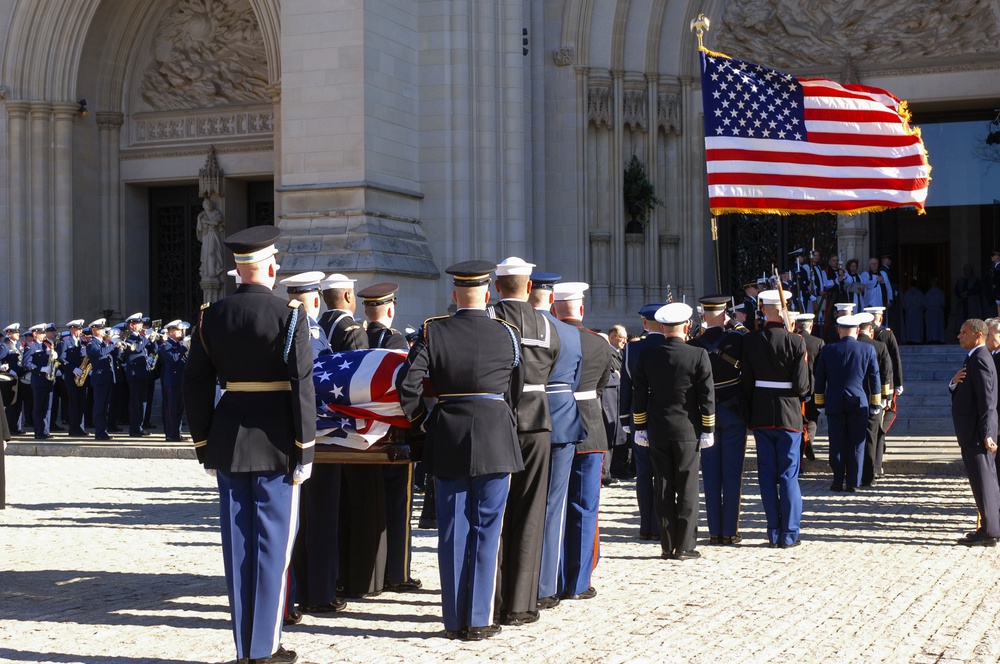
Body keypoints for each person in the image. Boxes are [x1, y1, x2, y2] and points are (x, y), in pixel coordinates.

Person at [183, 224, 316, 663]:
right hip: (279, 438)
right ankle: (265, 647)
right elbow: (301, 386)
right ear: (271, 267)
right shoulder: (291, 314)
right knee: (273, 547)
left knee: (238, 547)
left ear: (238, 271)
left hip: (229, 438)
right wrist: (306, 449)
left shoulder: (210, 315)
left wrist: (204, 443)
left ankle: (246, 647)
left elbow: (195, 384)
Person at [396, 260, 524, 641]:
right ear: (487, 296)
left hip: (448, 432)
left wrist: (424, 421)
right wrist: (502, 416)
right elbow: (515, 389)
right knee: (488, 529)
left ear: (454, 296)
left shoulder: (434, 331)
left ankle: (453, 620)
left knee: (452, 529)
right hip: (496, 433)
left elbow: (408, 385)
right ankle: (480, 618)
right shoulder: (507, 333)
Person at [488, 256, 558, 627]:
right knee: (530, 512)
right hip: (537, 420)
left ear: (496, 287)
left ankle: (491, 600)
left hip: (497, 417)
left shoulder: (487, 318)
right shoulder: (547, 325)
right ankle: (519, 605)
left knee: (494, 511)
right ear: (529, 287)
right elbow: (554, 362)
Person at [633, 302, 714, 560]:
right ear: (687, 326)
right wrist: (708, 428)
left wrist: (640, 427)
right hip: (688, 429)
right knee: (688, 487)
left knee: (664, 486)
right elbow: (707, 396)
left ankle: (667, 545)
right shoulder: (698, 355)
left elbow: (639, 394)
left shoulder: (648, 355)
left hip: (657, 427)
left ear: (662, 328)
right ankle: (685, 545)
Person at [356, 281, 422, 595]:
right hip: (392, 434)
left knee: (365, 504)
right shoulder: (394, 340)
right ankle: (397, 573)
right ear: (391, 309)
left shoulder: (353, 337)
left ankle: (367, 572)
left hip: (358, 434)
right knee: (398, 505)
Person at [528, 272, 585, 612]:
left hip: (522, 420)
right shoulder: (568, 332)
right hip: (561, 419)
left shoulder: (512, 328)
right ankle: (545, 584)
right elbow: (573, 380)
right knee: (553, 506)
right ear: (552, 299)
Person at [552, 282, 612, 596]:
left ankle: (550, 577)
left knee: (552, 507)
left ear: (553, 308)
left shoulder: (550, 338)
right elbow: (602, 385)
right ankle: (578, 582)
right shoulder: (600, 343)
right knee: (586, 506)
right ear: (582, 308)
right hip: (590, 427)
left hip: (555, 428)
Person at [740, 290, 810, 548]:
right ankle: (789, 534)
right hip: (789, 415)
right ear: (784, 310)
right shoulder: (796, 341)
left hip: (760, 414)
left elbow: (746, 382)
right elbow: (803, 387)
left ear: (763, 310)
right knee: (788, 476)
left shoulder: (751, 340)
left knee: (767, 476)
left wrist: (750, 413)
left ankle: (773, 533)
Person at [689, 295, 747, 544]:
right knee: (732, 474)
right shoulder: (737, 339)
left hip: (707, 414)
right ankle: (729, 531)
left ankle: (714, 531)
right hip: (733, 411)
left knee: (711, 475)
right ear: (725, 315)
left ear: (703, 316)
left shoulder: (694, 344)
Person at [815, 312, 881, 493]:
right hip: (858, 402)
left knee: (836, 442)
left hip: (835, 400)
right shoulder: (867, 349)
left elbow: (819, 377)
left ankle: (837, 481)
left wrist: (820, 401)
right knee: (856, 443)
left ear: (839, 330)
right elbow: (874, 378)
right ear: (858, 330)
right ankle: (853, 482)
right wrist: (876, 403)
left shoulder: (828, 349)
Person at [949, 318, 1000, 547]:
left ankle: (990, 531)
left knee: (984, 482)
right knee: (979, 482)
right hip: (971, 433)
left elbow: (988, 401)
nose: (959, 336)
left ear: (978, 335)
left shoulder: (980, 359)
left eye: (963, 332)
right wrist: (953, 383)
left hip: (977, 435)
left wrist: (988, 432)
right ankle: (987, 527)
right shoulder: (974, 357)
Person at [619, 303, 666, 542]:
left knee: (644, 472)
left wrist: (625, 419)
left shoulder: (632, 349)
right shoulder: (673, 345)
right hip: (667, 416)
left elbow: (626, 385)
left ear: (645, 324)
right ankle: (662, 525)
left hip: (640, 416)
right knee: (664, 472)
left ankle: (646, 526)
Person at [867, 306, 903, 479]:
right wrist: (898, 383)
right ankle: (877, 458)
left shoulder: (882, 335)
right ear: (880, 318)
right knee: (882, 421)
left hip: (873, 386)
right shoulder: (886, 335)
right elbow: (895, 360)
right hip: (884, 385)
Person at [857, 317, 892, 487]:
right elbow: (885, 376)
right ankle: (869, 475)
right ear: (871, 330)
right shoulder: (880, 346)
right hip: (873, 399)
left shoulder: (852, 345)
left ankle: (853, 473)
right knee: (871, 437)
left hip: (854, 398)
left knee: (853, 437)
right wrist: (885, 399)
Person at [793, 313, 824, 461]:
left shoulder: (791, 340)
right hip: (812, 387)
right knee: (812, 418)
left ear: (797, 326)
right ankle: (808, 442)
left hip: (794, 387)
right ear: (810, 326)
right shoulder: (818, 342)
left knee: (797, 421)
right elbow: (821, 369)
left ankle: (801, 449)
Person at [119, 313, 152, 437]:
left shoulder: (141, 337)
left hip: (144, 373)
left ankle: (140, 426)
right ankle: (134, 429)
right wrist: (147, 337)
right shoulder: (129, 337)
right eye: (139, 323)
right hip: (134, 374)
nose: (142, 325)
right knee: (135, 402)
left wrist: (152, 339)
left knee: (143, 402)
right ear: (132, 325)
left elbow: (151, 349)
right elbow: (137, 348)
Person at [157, 320, 189, 442]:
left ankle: (177, 433)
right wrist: (183, 347)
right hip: (172, 381)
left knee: (179, 409)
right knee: (171, 409)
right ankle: (170, 434)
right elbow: (174, 358)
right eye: (178, 330)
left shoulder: (178, 345)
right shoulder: (165, 346)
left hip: (180, 380)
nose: (181, 332)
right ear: (170, 332)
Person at [86, 319, 117, 441]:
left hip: (107, 377)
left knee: (105, 407)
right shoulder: (91, 344)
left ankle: (103, 431)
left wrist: (114, 344)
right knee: (99, 407)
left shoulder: (104, 343)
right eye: (101, 329)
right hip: (99, 378)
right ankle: (99, 432)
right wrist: (112, 344)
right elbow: (100, 353)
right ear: (94, 330)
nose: (103, 331)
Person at [23, 323, 55, 440]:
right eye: (41, 333)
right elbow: (26, 364)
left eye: (44, 333)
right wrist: (40, 369)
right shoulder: (30, 347)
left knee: (47, 407)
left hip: (48, 381)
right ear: (35, 334)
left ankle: (45, 430)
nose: (44, 335)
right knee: (38, 408)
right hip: (38, 381)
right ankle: (39, 432)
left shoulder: (46, 346)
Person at [59, 320, 88, 436]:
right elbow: (62, 359)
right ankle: (73, 428)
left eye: (81, 329)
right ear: (71, 329)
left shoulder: (82, 342)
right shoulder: (65, 341)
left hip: (82, 375)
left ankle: (80, 427)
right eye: (77, 329)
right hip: (71, 376)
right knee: (73, 402)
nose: (80, 331)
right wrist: (73, 369)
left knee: (81, 402)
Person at [196, 197, 225, 282]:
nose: (208, 205)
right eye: (206, 204)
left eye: (209, 203)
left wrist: (206, 221)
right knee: (206, 254)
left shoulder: (216, 213)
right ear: (204, 206)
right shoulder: (202, 215)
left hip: (213, 235)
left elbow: (216, 222)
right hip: (206, 236)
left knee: (212, 252)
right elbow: (200, 226)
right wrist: (203, 221)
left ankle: (213, 271)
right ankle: (208, 273)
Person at [901, 279, 925, 344]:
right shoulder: (920, 293)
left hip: (909, 314)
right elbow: (923, 304)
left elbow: (904, 305)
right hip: (917, 313)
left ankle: (909, 339)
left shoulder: (907, 293)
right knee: (917, 328)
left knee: (910, 327)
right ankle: (917, 339)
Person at [924, 278, 947, 343]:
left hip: (933, 312)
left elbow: (924, 304)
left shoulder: (928, 293)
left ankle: (932, 339)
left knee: (932, 327)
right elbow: (943, 303)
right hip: (936, 312)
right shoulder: (940, 292)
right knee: (937, 327)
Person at [991, 250, 1000, 317]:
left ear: (997, 257)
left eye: (993, 255)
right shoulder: (996, 267)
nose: (991, 257)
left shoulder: (998, 267)